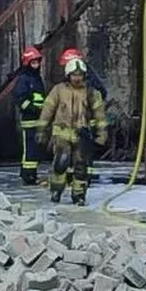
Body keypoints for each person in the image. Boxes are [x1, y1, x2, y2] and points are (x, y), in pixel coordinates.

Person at [36, 54, 108, 206]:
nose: (77, 78)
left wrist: (102, 135)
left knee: (81, 167)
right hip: (62, 132)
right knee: (60, 164)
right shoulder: (58, 90)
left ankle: (79, 195)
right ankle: (56, 190)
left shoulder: (91, 93)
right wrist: (41, 129)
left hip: (81, 134)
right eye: (74, 75)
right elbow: (47, 110)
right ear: (68, 75)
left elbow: (100, 116)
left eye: (80, 74)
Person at [12, 46, 46, 185]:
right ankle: (28, 175)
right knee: (29, 150)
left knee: (36, 150)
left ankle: (33, 174)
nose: (36, 65)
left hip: (39, 120)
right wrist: (32, 108)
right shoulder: (24, 79)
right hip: (29, 120)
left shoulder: (36, 78)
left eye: (37, 62)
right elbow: (20, 98)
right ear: (27, 63)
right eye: (33, 63)